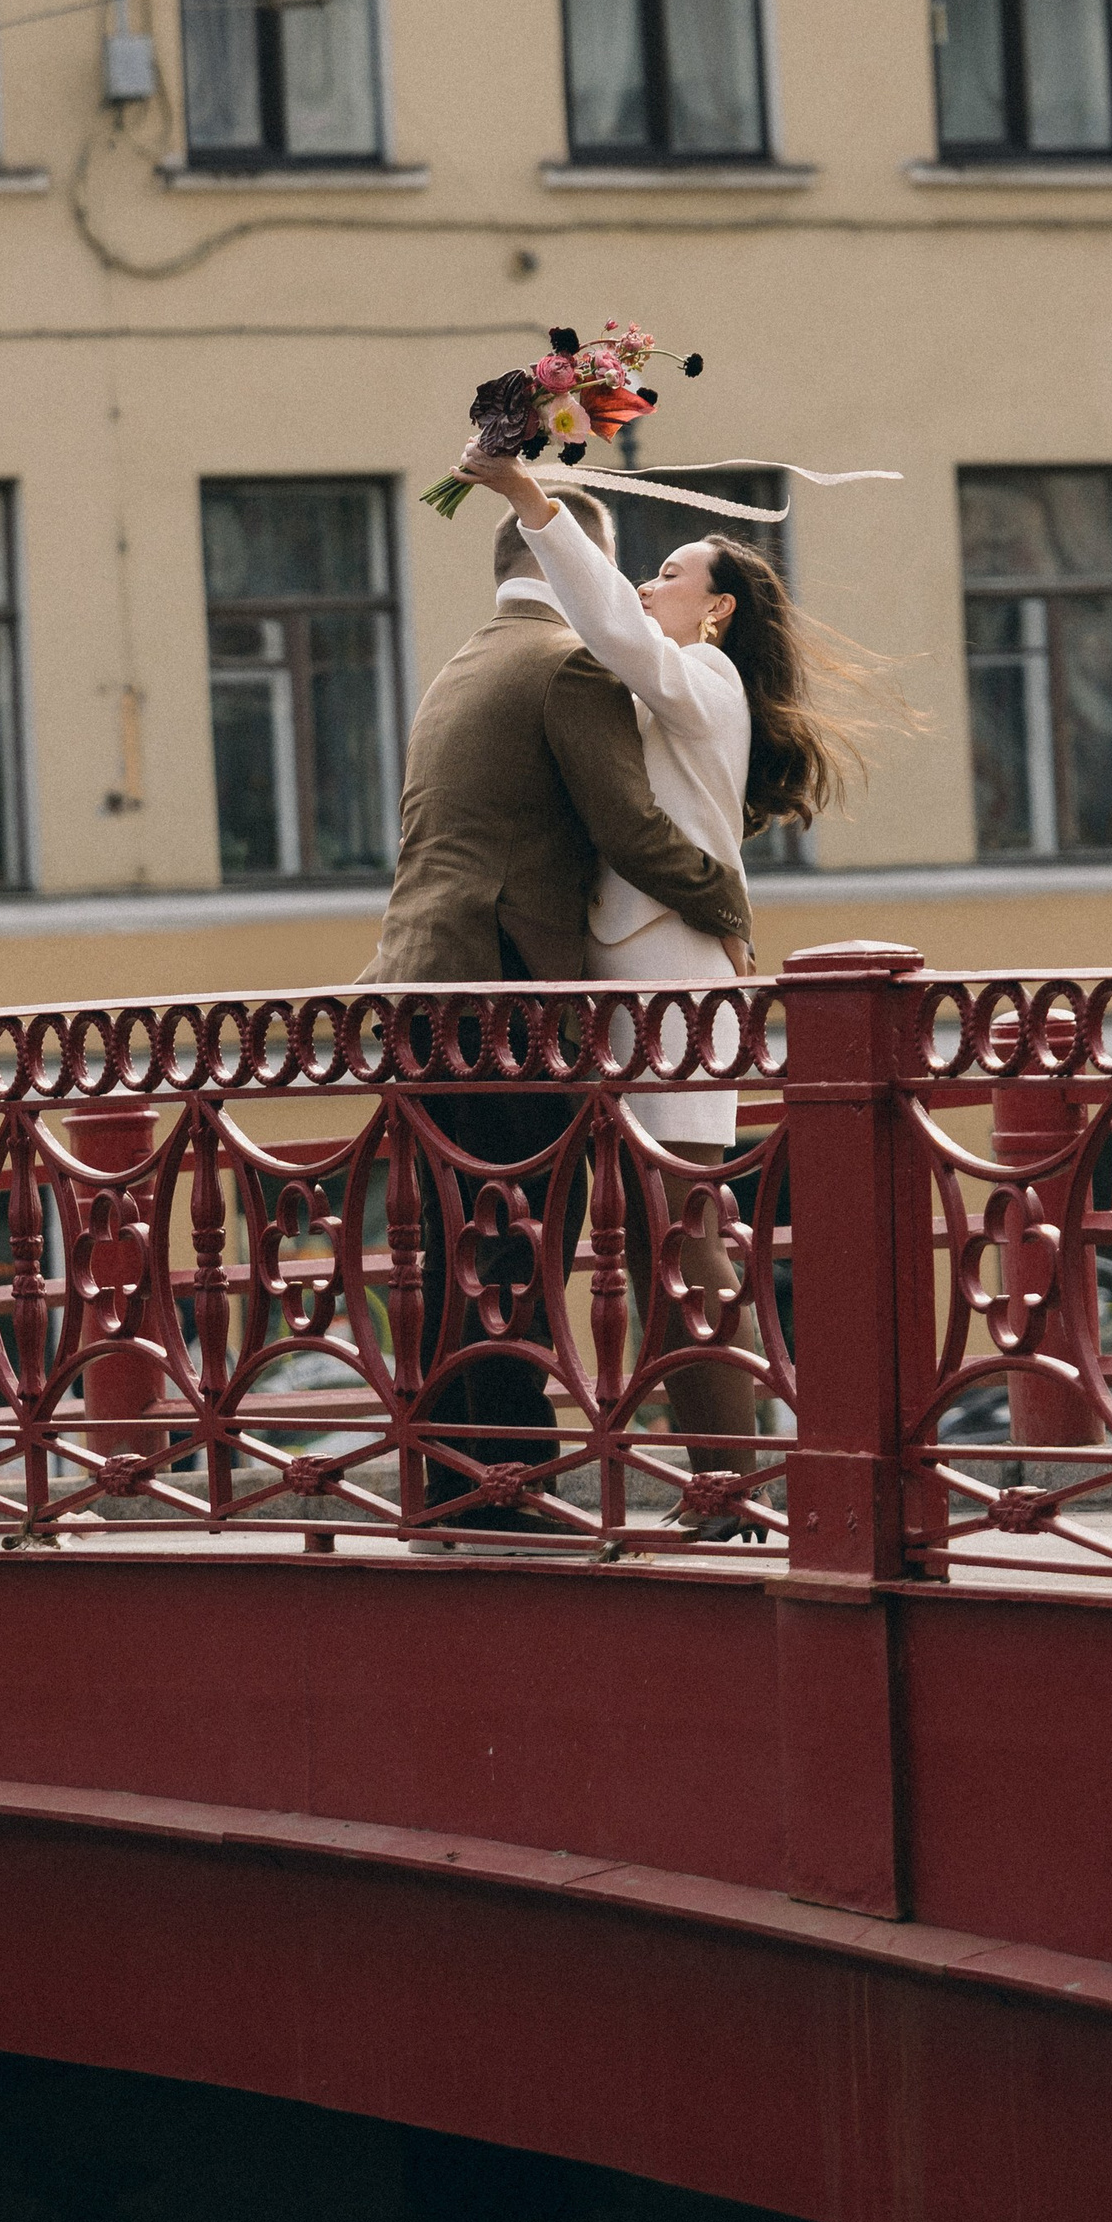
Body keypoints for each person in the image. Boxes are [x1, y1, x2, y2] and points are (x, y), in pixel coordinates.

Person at [454, 445, 873, 1531]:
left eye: (673, 572)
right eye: (649, 569)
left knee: (680, 1226)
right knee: (658, 1230)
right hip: (642, 980)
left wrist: (528, 500)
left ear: (719, 610)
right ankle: (723, 1479)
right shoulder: (681, 687)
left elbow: (613, 628)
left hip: (670, 983)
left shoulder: (701, 677)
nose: (649, 582)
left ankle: (731, 1479)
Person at [366, 484, 752, 1535]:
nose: (629, 589)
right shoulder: (568, 661)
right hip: (501, 984)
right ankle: (505, 1487)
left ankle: (448, 1478)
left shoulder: (462, 659)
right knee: (519, 1240)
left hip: (413, 977)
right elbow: (628, 828)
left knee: (452, 1242)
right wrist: (728, 905)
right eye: (628, 568)